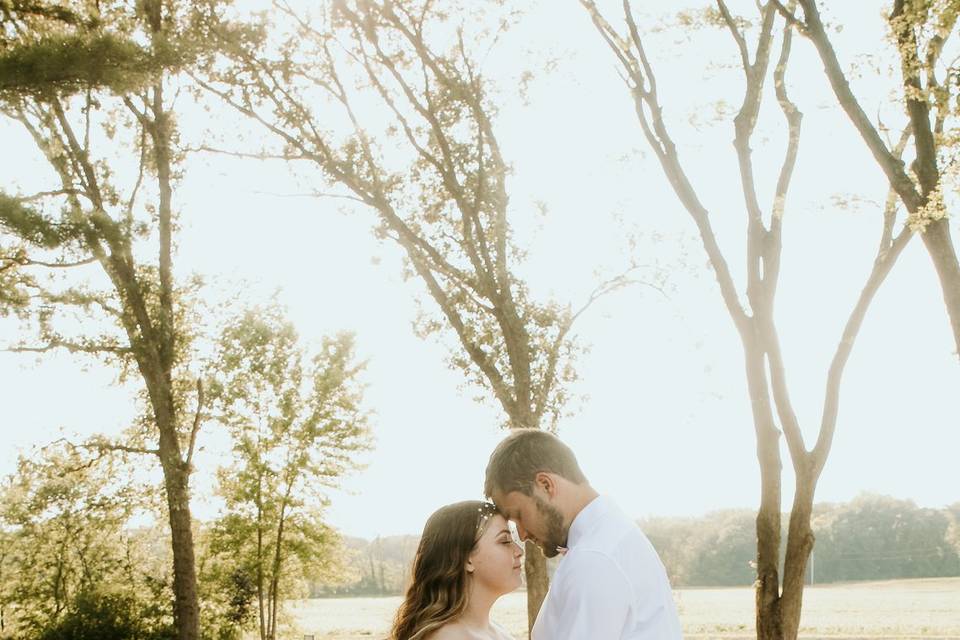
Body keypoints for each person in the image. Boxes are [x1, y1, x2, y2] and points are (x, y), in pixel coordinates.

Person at [484, 429, 682, 640]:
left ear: (545, 485)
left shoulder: (594, 557)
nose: (522, 535)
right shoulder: (612, 536)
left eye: (519, 515)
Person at [390, 500, 523, 640]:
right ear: (466, 558)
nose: (519, 551)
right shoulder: (447, 637)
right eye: (505, 541)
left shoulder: (496, 631)